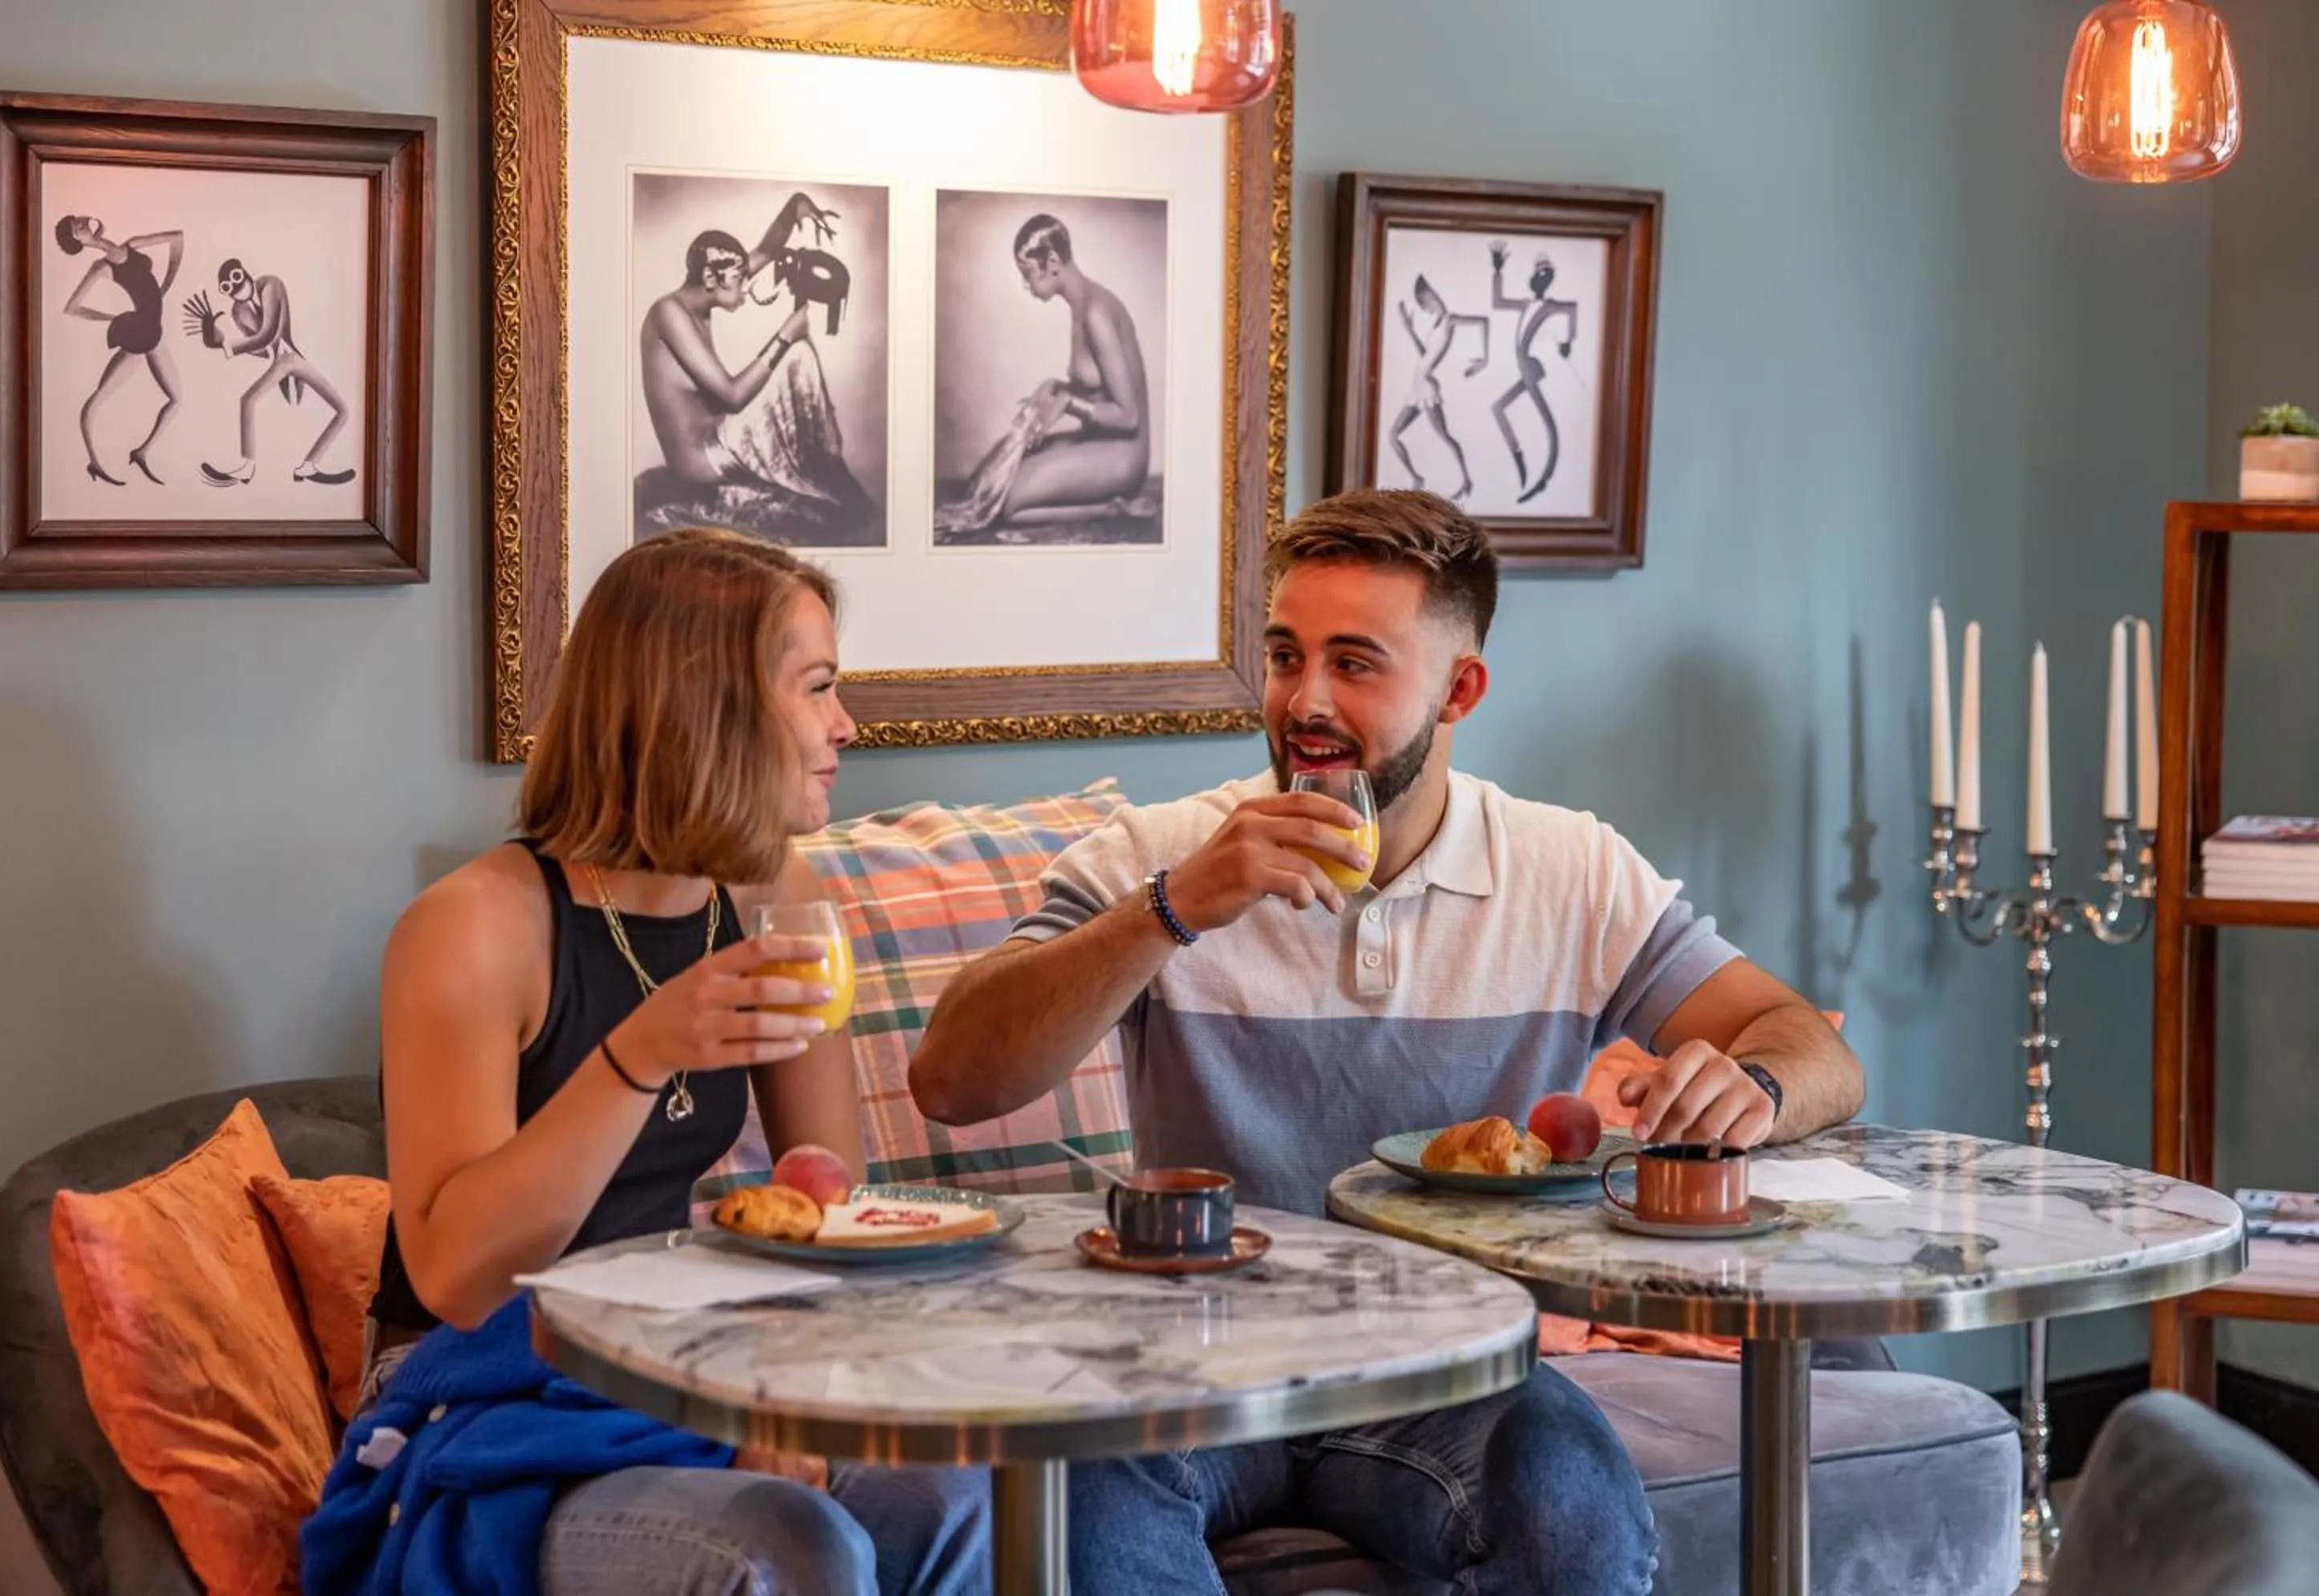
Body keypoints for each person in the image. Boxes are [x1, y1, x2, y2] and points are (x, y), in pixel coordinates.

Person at [909, 488, 1868, 1596]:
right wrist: (1174, 907)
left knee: (1575, 1517)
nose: (1303, 701)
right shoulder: (1164, 853)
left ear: (1460, 688)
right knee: (1081, 1504)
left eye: (1355, 664)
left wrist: (1748, 1082)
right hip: (1188, 1347)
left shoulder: (1570, 873)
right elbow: (953, 1076)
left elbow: (1813, 1048)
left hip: (1449, 1364)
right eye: (1285, 655)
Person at [318, 528, 987, 1594]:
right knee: (788, 1543)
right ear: (705, 709)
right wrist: (637, 1057)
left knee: (951, 1494)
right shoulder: (474, 931)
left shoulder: (780, 903)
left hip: (683, 1360)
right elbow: (455, 1279)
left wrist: (781, 1395)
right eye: (818, 690)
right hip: (493, 1394)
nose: (843, 728)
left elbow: (827, 1212)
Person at [638, 200, 877, 544]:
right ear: (709, 277)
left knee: (798, 358)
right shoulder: (669, 314)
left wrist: (797, 207)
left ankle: (827, 464)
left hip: (717, 436)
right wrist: (784, 335)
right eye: (739, 279)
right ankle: (826, 466)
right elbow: (732, 397)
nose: (746, 286)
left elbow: (767, 249)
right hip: (699, 460)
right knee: (793, 353)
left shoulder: (710, 287)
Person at [935, 214, 1154, 539]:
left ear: (1052, 262)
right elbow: (1097, 388)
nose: (1025, 285)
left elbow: (1129, 417)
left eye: (1027, 275)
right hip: (1097, 441)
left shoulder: (1096, 314)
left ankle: (1111, 508)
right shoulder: (1082, 305)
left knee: (1005, 503)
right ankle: (1108, 504)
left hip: (1122, 456)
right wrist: (1055, 387)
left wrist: (1068, 403)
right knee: (990, 477)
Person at [186, 256, 355, 486]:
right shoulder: (238, 311)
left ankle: (308, 465)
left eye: (236, 278)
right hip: (280, 362)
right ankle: (249, 467)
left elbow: (267, 334)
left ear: (244, 272)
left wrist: (227, 346)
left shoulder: (270, 285)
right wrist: (215, 338)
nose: (235, 288)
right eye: (227, 288)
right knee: (248, 401)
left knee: (343, 410)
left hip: (292, 358)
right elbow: (261, 349)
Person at [54, 215, 184, 485]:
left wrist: (167, 282)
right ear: (80, 241)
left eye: (76, 221)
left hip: (150, 331)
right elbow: (72, 308)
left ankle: (141, 452)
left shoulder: (133, 245)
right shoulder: (100, 268)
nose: (78, 223)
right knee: (103, 397)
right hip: (141, 332)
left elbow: (177, 238)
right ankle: (97, 461)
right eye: (74, 230)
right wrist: (111, 318)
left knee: (174, 399)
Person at [1487, 244, 1579, 504]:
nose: (1539, 280)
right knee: (1498, 408)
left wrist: (1568, 341)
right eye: (1537, 275)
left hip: (1531, 367)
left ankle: (1544, 476)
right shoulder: (1526, 303)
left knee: (1549, 425)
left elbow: (1572, 310)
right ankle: (1520, 458)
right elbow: (1498, 301)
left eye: (1544, 276)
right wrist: (1497, 271)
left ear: (1548, 280)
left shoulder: (1550, 306)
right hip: (1525, 367)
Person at [1386, 273, 1488, 502]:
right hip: (1418, 385)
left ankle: (1466, 480)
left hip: (1426, 388)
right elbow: (1425, 357)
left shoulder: (1450, 320)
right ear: (1425, 305)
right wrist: (1409, 329)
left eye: (1435, 296)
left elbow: (1483, 322)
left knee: (1444, 435)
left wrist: (1485, 359)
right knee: (1393, 436)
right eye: (1430, 299)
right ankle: (1416, 478)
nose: (1437, 301)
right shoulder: (1436, 325)